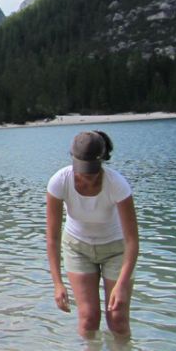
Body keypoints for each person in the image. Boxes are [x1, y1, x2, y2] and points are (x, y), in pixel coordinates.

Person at [46, 131, 139, 339]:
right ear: (73, 159)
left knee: (117, 318)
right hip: (78, 249)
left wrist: (122, 285)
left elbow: (132, 240)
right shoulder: (59, 181)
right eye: (82, 170)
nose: (86, 177)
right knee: (88, 318)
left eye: (92, 172)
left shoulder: (117, 184)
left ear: (102, 160)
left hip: (116, 249)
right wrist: (57, 283)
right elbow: (52, 237)